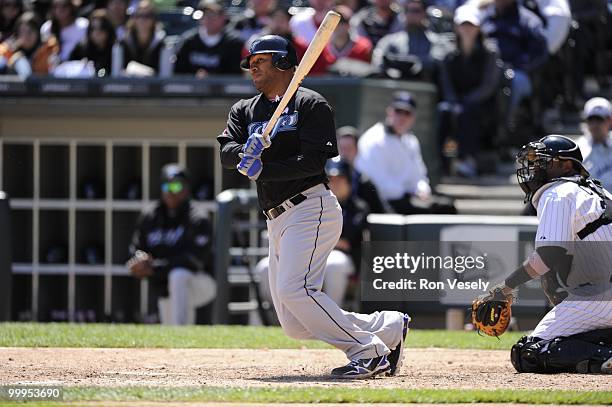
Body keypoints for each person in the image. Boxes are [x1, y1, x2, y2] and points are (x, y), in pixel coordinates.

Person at [217, 34, 409, 379]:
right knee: (294, 323)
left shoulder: (311, 104)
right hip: (274, 216)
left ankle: (367, 351)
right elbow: (225, 151)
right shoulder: (245, 110)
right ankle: (387, 327)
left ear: (283, 62)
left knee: (296, 290)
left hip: (310, 206)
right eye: (251, 63)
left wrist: (266, 168)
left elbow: (314, 161)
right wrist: (244, 149)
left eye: (261, 61)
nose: (253, 68)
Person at [484, 135, 612, 374]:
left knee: (528, 353)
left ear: (566, 165)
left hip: (599, 297)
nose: (534, 168)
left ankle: (606, 356)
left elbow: (548, 256)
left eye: (542, 161)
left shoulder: (558, 192)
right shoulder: (598, 191)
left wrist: (505, 288)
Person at [254, 158, 365, 308]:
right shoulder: (312, 201)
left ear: (350, 181)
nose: (336, 183)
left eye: (341, 179)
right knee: (265, 267)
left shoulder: (358, 208)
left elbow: (346, 241)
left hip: (339, 256)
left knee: (335, 263)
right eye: (332, 178)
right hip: (306, 251)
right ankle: (280, 317)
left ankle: (332, 316)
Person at [127, 163, 216, 325]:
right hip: (166, 286)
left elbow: (193, 260)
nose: (170, 191)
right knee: (169, 331)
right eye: (166, 186)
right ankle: (178, 337)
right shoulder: (151, 216)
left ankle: (180, 329)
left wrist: (154, 267)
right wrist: (138, 260)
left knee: (178, 275)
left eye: (176, 186)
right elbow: (136, 247)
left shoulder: (198, 217)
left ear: (187, 188)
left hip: (201, 281)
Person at [355, 91, 456, 214]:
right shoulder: (373, 139)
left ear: (413, 117)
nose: (402, 117)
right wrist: (408, 193)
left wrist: (421, 189)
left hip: (408, 198)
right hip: (384, 203)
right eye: (398, 111)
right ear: (389, 111)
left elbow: (419, 176)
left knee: (447, 205)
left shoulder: (411, 141)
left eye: (407, 113)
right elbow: (377, 184)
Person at [437, 4, 501, 177]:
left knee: (468, 112)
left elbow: (488, 85)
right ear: (456, 27)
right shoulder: (448, 54)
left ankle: (468, 159)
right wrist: (453, 102)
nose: (466, 29)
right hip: (456, 103)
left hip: (482, 104)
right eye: (463, 24)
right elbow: (446, 84)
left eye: (470, 25)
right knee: (443, 112)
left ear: (478, 27)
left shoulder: (490, 52)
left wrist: (467, 101)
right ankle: (440, 162)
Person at [476, 0, 548, 119]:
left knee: (514, 83)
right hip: (489, 69)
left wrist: (516, 65)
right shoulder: (486, 19)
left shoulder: (529, 21)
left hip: (517, 71)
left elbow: (539, 53)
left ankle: (505, 125)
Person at [372, 0, 453, 80]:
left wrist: (415, 63)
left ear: (424, 14)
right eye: (408, 10)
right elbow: (378, 63)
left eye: (416, 11)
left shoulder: (436, 41)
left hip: (425, 87)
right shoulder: (389, 41)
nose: (411, 14)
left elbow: (439, 61)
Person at [244, 6, 335, 76]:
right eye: (275, 19)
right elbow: (246, 68)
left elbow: (316, 71)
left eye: (282, 20)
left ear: (288, 23)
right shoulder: (256, 44)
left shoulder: (300, 46)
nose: (278, 24)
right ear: (269, 21)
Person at [174, 0, 243, 76]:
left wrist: (211, 78)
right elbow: (179, 72)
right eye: (205, 14)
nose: (209, 19)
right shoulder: (188, 41)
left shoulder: (234, 43)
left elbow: (235, 75)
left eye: (214, 14)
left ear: (223, 17)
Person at [336, 125, 387, 213]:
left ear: (357, 150)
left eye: (349, 148)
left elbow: (381, 212)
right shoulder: (324, 181)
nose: (345, 153)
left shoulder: (365, 183)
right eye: (342, 148)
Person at [0, 11, 60, 76]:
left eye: (30, 31)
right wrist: (11, 55)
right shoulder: (9, 48)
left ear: (38, 33)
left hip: (41, 83)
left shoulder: (47, 49)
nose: (26, 36)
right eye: (22, 31)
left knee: (21, 62)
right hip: (13, 83)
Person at [117, 0, 166, 74]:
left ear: (154, 19)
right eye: (138, 16)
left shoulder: (162, 44)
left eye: (147, 16)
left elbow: (164, 75)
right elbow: (117, 73)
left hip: (153, 85)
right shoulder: (122, 43)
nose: (142, 20)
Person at [576, 98, 612, 192]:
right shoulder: (578, 148)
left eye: (599, 120)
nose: (595, 125)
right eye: (591, 120)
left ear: (609, 120)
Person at [69, 9, 115, 76]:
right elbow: (69, 68)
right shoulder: (81, 49)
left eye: (101, 27)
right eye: (93, 28)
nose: (97, 32)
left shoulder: (116, 49)